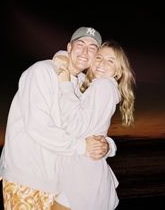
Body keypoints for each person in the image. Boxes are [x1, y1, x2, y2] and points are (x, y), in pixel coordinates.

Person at [0, 27, 117, 209]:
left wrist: (107, 145)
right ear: (69, 48)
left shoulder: (79, 86)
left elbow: (84, 126)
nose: (85, 51)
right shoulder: (42, 71)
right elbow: (38, 127)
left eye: (92, 48)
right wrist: (82, 146)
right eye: (80, 44)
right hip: (28, 178)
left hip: (58, 182)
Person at [51, 40, 135, 210]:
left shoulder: (103, 86)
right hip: (85, 170)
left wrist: (64, 81)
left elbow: (75, 127)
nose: (102, 63)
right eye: (99, 57)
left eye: (110, 61)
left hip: (82, 175)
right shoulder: (95, 86)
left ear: (118, 71)